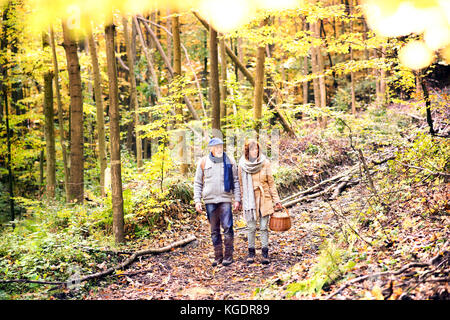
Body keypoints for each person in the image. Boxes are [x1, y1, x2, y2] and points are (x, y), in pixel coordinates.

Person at [193, 138, 241, 266]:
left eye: (221, 146)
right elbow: (198, 183)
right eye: (217, 147)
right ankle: (218, 256)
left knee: (227, 227)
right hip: (209, 201)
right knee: (214, 230)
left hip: (225, 198)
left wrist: (237, 199)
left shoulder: (230, 161)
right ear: (211, 148)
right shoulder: (203, 162)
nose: (220, 149)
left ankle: (228, 257)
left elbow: (236, 181)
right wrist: (197, 201)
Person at [238, 139, 282, 265]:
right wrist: (241, 201)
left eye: (256, 149)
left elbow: (271, 183)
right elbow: (241, 184)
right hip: (249, 199)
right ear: (247, 151)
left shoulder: (265, 163)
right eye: (252, 149)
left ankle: (265, 252)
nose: (254, 151)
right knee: (251, 227)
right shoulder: (242, 165)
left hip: (264, 198)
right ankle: (251, 252)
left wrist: (276, 200)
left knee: (263, 227)